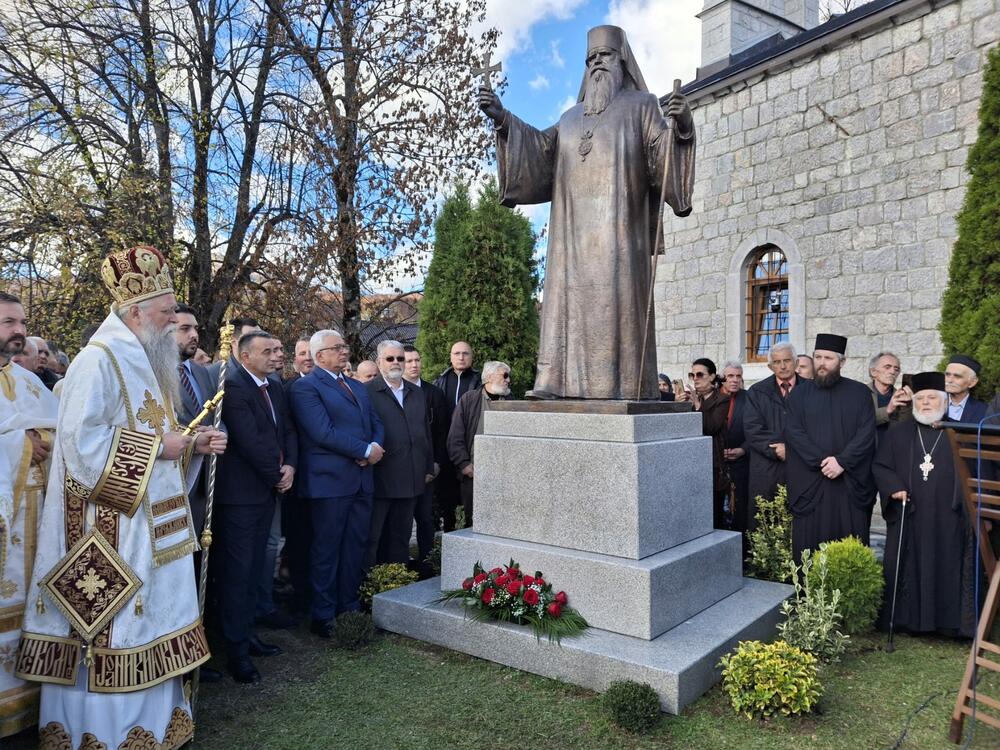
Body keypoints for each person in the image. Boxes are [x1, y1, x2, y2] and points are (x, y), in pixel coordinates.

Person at [15, 245, 225, 748]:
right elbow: (81, 448)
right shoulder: (97, 360)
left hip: (153, 530)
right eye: (166, 311)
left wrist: (191, 444)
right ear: (134, 312)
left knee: (155, 622)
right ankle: (105, 736)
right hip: (109, 534)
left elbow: (160, 432)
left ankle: (156, 729)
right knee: (117, 629)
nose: (174, 319)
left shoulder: (147, 359)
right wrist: (162, 447)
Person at [478, 25, 694, 399]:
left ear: (621, 60)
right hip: (571, 238)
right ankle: (555, 382)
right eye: (591, 59)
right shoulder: (570, 118)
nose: (597, 64)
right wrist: (502, 119)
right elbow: (538, 153)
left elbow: (663, 163)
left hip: (620, 237)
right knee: (565, 303)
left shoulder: (642, 106)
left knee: (617, 308)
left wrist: (685, 127)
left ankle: (624, 386)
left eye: (604, 56)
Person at [290, 330, 384, 639]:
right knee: (327, 550)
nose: (344, 351)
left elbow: (376, 424)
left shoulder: (356, 386)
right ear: (319, 357)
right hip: (329, 484)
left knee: (354, 546)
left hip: (360, 480)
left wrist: (372, 449)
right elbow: (322, 432)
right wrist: (363, 451)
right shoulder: (306, 388)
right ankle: (323, 614)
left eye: (344, 347)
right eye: (337, 348)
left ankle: (349, 606)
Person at [215, 331, 297, 683]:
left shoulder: (274, 386)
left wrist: (290, 466)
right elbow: (249, 441)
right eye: (269, 351)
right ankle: (235, 651)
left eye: (279, 349)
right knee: (237, 573)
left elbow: (286, 432)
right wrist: (275, 474)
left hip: (267, 491)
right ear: (245, 356)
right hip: (242, 497)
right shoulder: (234, 388)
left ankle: (248, 635)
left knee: (252, 572)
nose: (277, 355)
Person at [873, 372, 974, 636]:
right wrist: (893, 487)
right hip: (911, 513)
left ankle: (947, 625)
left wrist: (959, 503)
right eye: (920, 399)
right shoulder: (898, 433)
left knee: (946, 564)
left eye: (932, 398)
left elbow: (973, 471)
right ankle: (908, 622)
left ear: (944, 401)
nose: (926, 403)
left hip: (947, 517)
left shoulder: (958, 431)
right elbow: (881, 465)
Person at [0, 293, 58, 739]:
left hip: (36, 521)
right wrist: (21, 445)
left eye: (20, 322)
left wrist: (41, 439)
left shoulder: (31, 381)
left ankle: (33, 716)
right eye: (7, 322)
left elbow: (63, 430)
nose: (18, 330)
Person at [785, 334, 876, 563]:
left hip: (848, 484)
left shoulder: (860, 393)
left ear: (842, 362)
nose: (822, 363)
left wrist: (842, 461)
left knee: (849, 546)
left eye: (828, 358)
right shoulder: (799, 394)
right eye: (818, 357)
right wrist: (822, 461)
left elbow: (866, 434)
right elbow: (794, 433)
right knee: (810, 549)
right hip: (811, 483)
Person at [365, 341, 433, 567]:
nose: (396, 363)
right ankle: (368, 585)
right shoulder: (367, 392)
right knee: (372, 537)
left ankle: (395, 582)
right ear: (379, 362)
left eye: (400, 358)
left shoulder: (417, 392)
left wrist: (427, 467)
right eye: (390, 358)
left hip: (411, 477)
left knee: (401, 536)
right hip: (380, 478)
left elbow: (425, 432)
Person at [447, 361, 514, 526]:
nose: (508, 380)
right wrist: (464, 465)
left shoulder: (511, 402)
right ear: (489, 377)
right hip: (473, 474)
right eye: (504, 375)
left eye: (508, 376)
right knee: (474, 521)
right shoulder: (469, 400)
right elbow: (455, 437)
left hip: (502, 475)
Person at [744, 343, 797, 532]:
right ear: (770, 367)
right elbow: (752, 429)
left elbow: (818, 428)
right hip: (767, 470)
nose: (782, 366)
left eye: (787, 360)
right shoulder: (757, 392)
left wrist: (794, 449)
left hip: (802, 467)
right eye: (777, 362)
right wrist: (779, 449)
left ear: (796, 363)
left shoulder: (811, 389)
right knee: (766, 524)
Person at [403, 345, 448, 568]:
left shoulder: (434, 393)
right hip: (401, 471)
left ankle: (427, 562)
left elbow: (441, 432)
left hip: (428, 469)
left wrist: (436, 463)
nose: (414, 365)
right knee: (400, 521)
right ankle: (400, 565)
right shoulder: (394, 393)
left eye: (417, 360)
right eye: (409, 361)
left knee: (426, 519)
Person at [677, 358, 731, 529]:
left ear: (712, 376)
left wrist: (698, 405)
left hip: (713, 466)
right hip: (691, 464)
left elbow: (712, 427)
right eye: (692, 375)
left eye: (700, 374)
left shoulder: (722, 399)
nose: (696, 379)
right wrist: (678, 407)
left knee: (714, 517)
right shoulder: (690, 399)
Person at [434, 341, 481, 531]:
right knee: (447, 499)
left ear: (472, 357)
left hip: (467, 447)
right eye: (456, 353)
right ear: (450, 356)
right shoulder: (441, 380)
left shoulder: (478, 381)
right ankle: (448, 536)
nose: (461, 357)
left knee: (470, 500)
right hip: (446, 449)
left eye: (465, 353)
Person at [722, 361, 749, 538]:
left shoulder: (749, 398)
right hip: (718, 465)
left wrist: (743, 449)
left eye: (738, 376)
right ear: (722, 378)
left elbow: (756, 429)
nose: (735, 380)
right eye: (730, 376)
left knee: (741, 511)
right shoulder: (712, 399)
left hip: (742, 464)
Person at [868, 351, 911, 439]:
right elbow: (856, 422)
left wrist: (910, 406)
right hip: (868, 450)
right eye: (887, 367)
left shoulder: (901, 397)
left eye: (896, 369)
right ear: (873, 372)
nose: (892, 372)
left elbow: (906, 428)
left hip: (893, 449)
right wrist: (887, 410)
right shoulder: (860, 393)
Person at [944, 354, 987, 423]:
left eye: (957, 376)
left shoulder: (983, 411)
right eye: (947, 375)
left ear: (972, 382)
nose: (950, 380)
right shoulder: (933, 402)